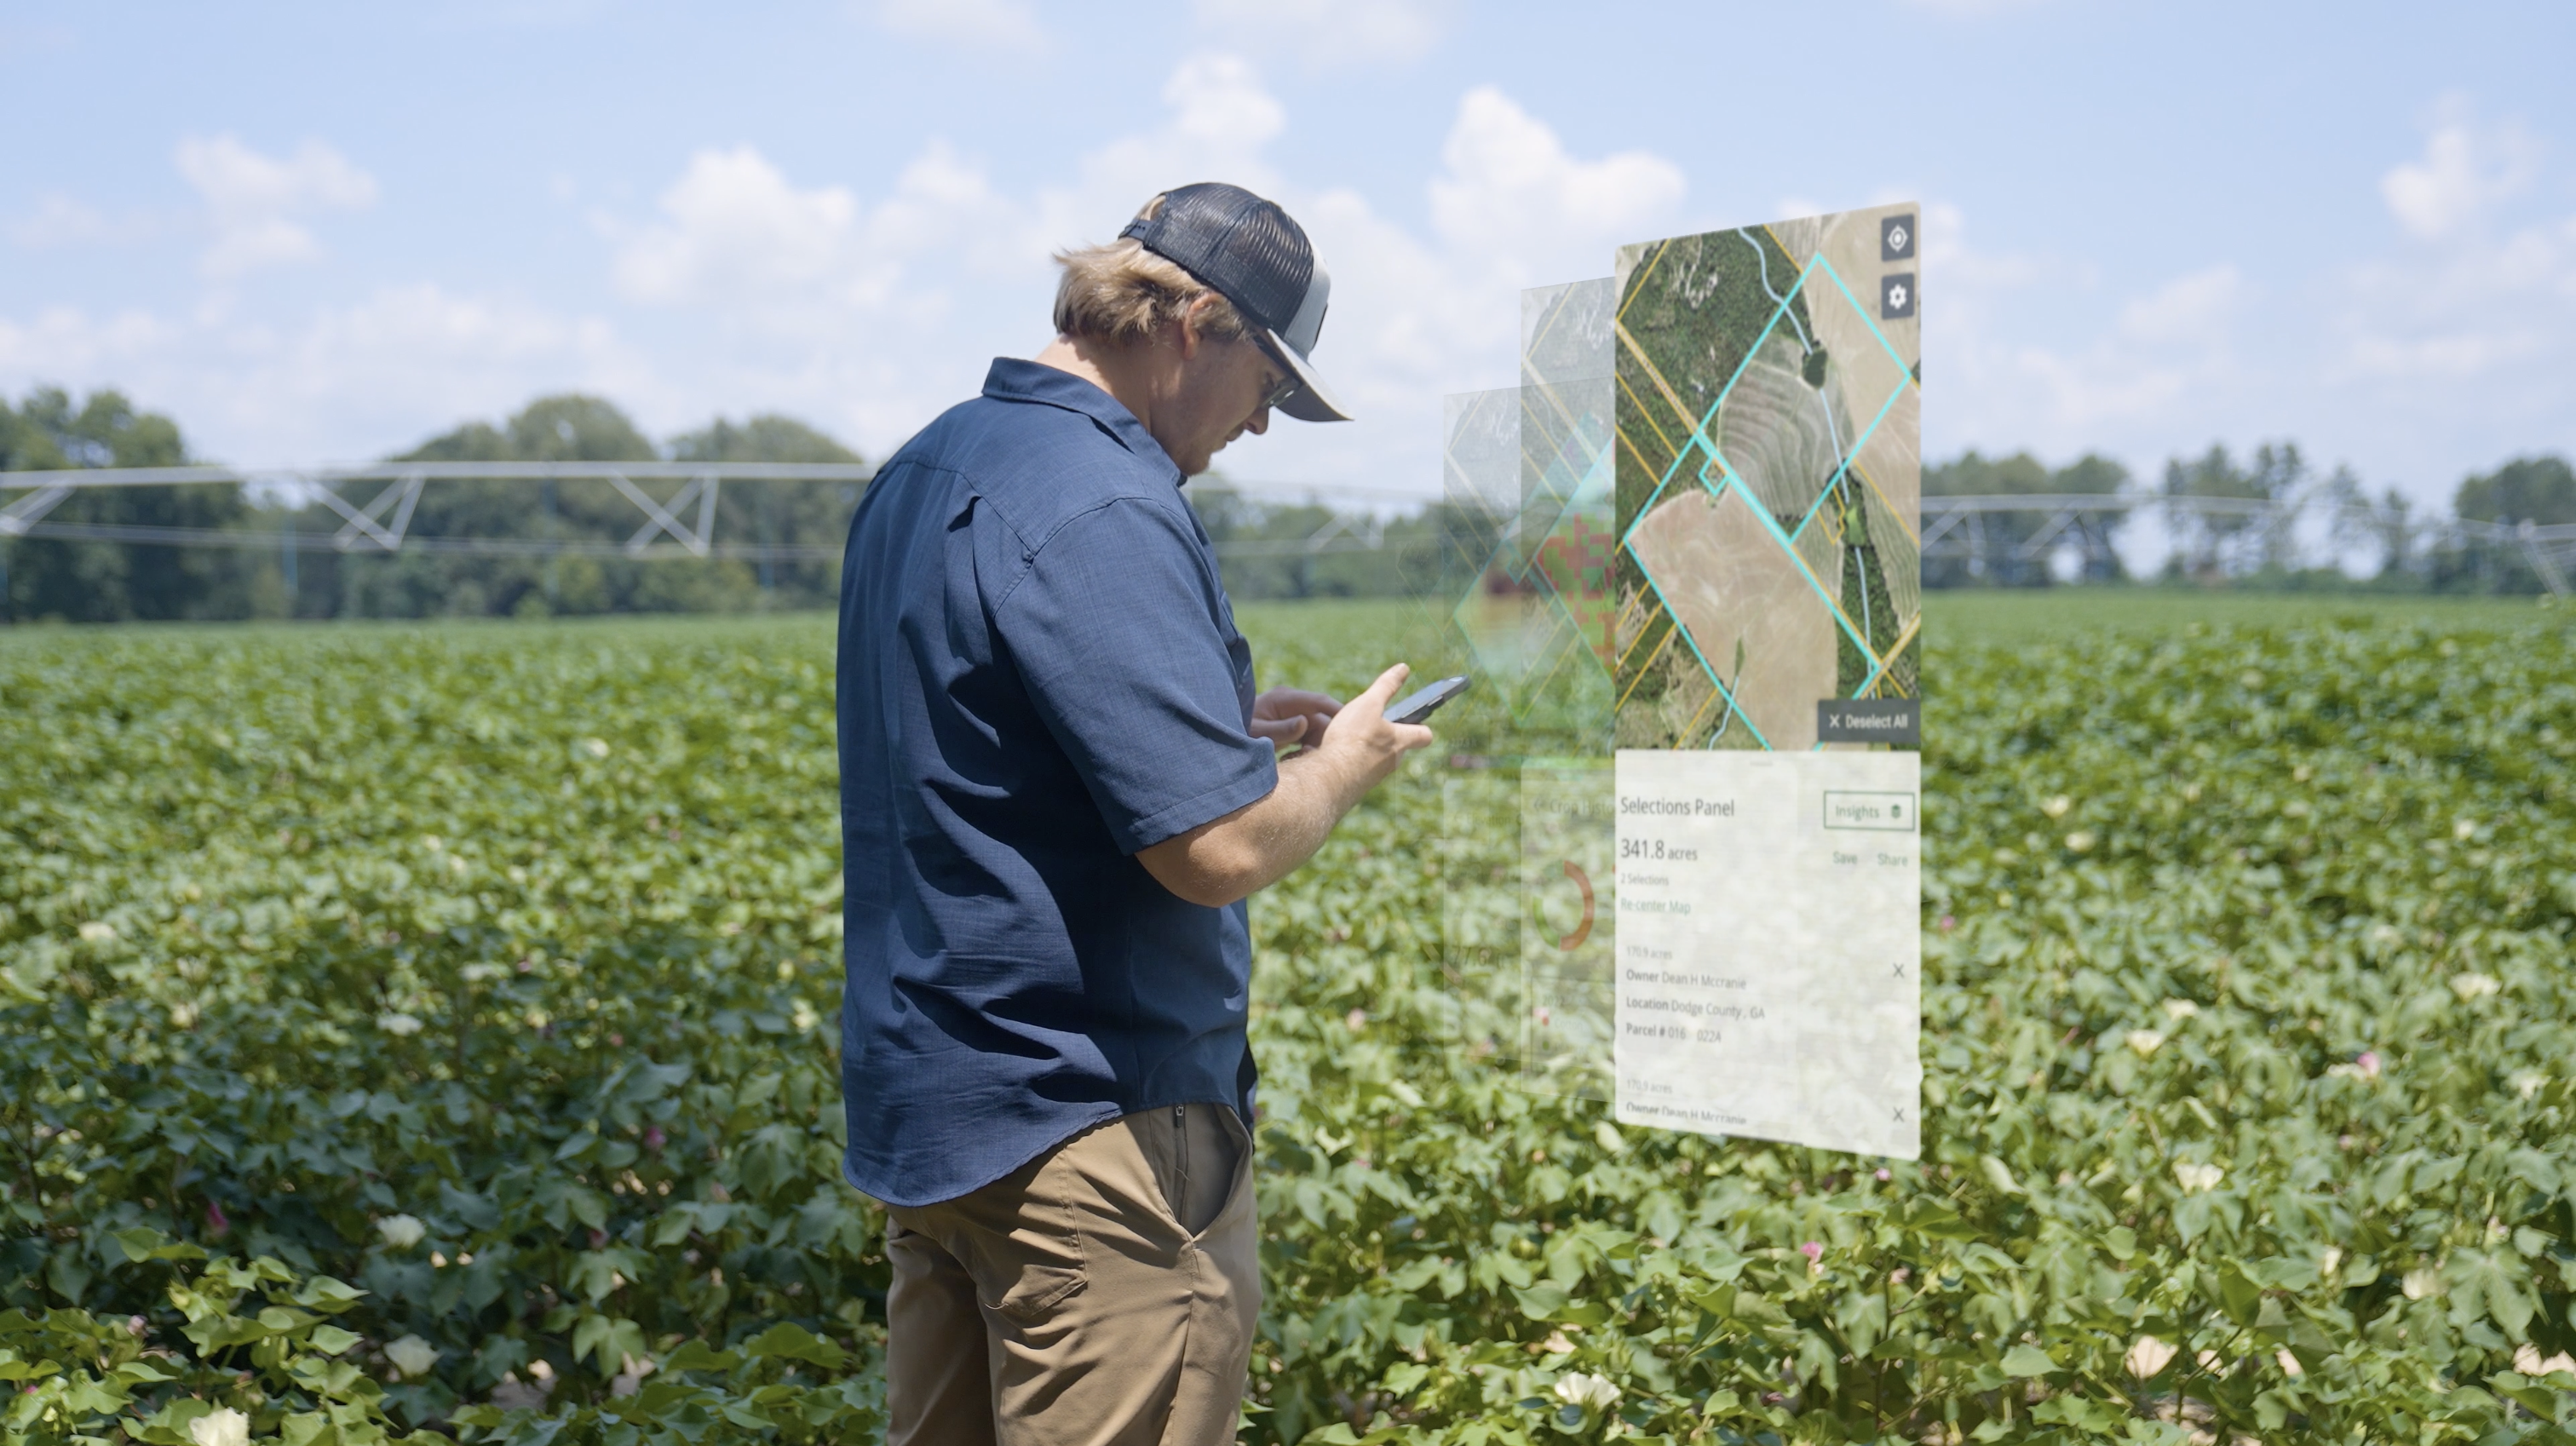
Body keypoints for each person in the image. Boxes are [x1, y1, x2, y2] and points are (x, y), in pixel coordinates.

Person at [835, 182, 1435, 1445]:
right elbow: (1215, 849)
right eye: (1269, 382)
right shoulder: (1106, 499)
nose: (1262, 426)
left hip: (944, 1115)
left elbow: (987, 731)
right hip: (1091, 1138)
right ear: (1196, 321)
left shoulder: (928, 465)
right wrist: (1336, 769)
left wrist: (1205, 718)